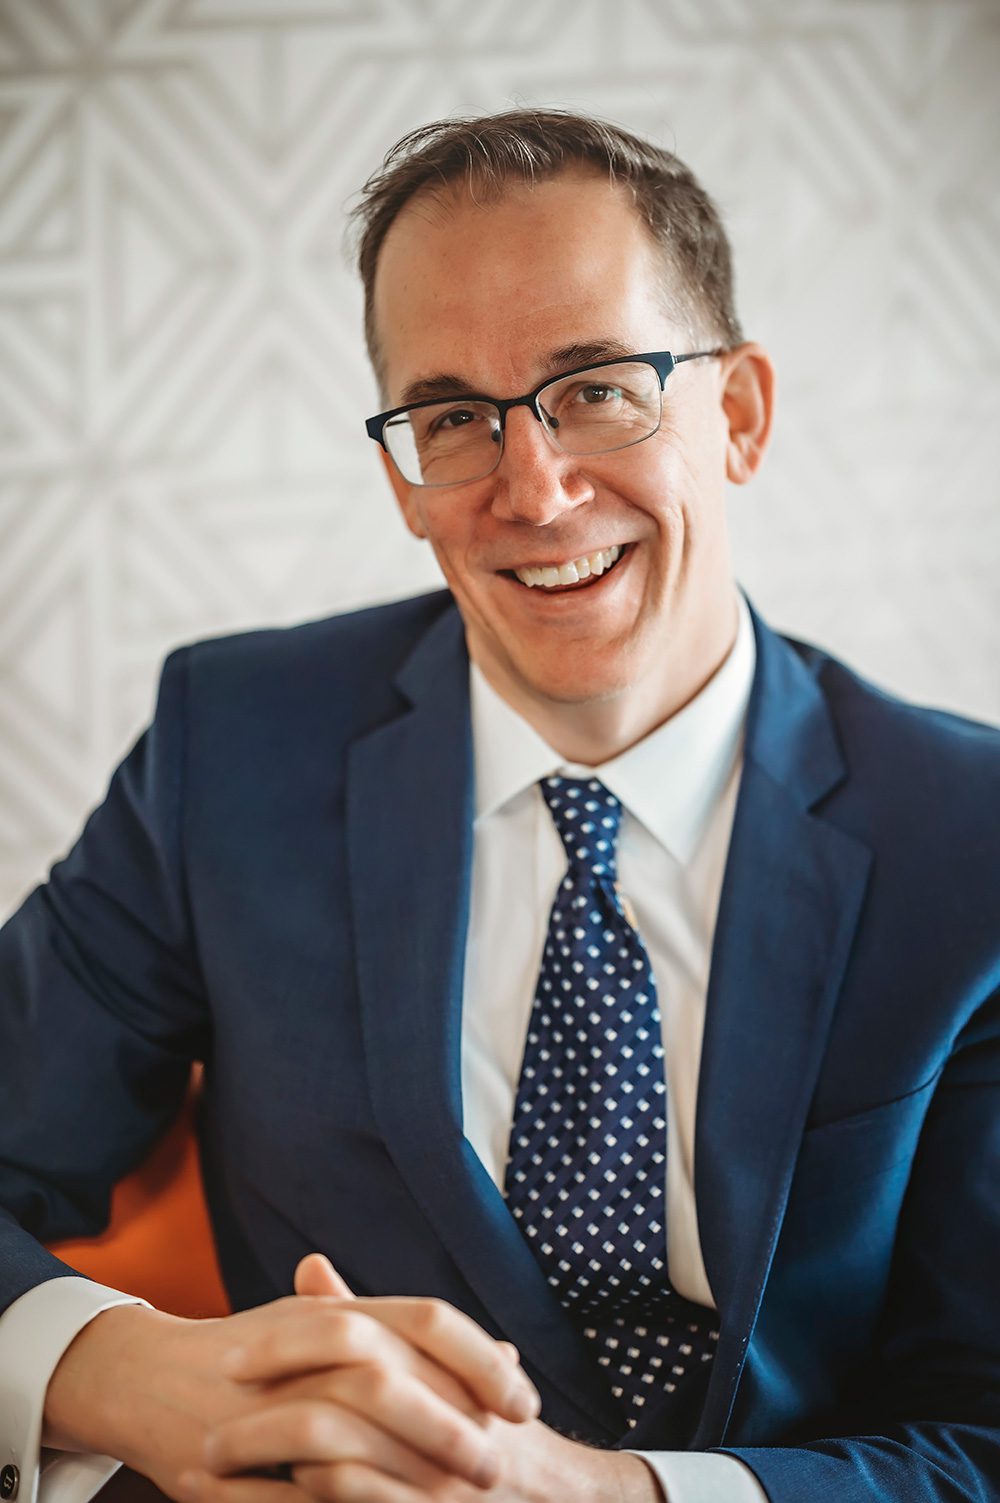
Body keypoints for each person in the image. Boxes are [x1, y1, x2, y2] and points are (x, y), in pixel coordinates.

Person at [0, 108, 998, 1503]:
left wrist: (613, 1495)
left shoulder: (972, 840)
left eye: (598, 388)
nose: (534, 490)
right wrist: (114, 1366)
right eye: (455, 418)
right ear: (402, 475)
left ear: (741, 415)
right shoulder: (230, 747)